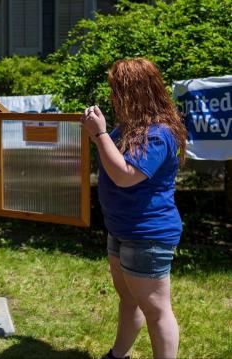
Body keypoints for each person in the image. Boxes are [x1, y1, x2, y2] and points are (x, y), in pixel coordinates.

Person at [80, 58, 187, 359]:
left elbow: (125, 175)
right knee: (128, 299)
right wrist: (97, 134)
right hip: (122, 229)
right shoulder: (128, 128)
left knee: (157, 311)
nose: (113, 97)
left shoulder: (158, 134)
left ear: (136, 92)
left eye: (117, 91)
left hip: (147, 235)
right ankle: (118, 355)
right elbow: (110, 157)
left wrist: (100, 134)